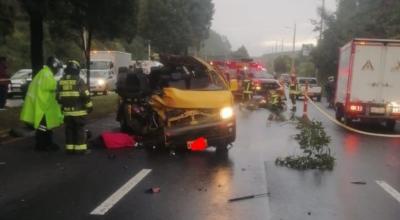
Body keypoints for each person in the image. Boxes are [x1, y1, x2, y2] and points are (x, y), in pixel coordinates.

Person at [20, 56, 64, 151]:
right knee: (43, 127)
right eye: (57, 68)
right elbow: (53, 86)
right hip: (42, 106)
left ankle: (46, 143)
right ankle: (42, 145)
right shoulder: (46, 74)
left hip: (43, 105)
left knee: (46, 126)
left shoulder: (44, 73)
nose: (57, 70)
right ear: (54, 66)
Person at [57, 60, 92, 154]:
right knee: (80, 129)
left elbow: (58, 97)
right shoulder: (79, 80)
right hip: (79, 112)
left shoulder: (61, 80)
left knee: (69, 130)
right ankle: (80, 150)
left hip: (66, 112)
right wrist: (89, 107)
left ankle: (70, 148)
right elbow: (85, 95)